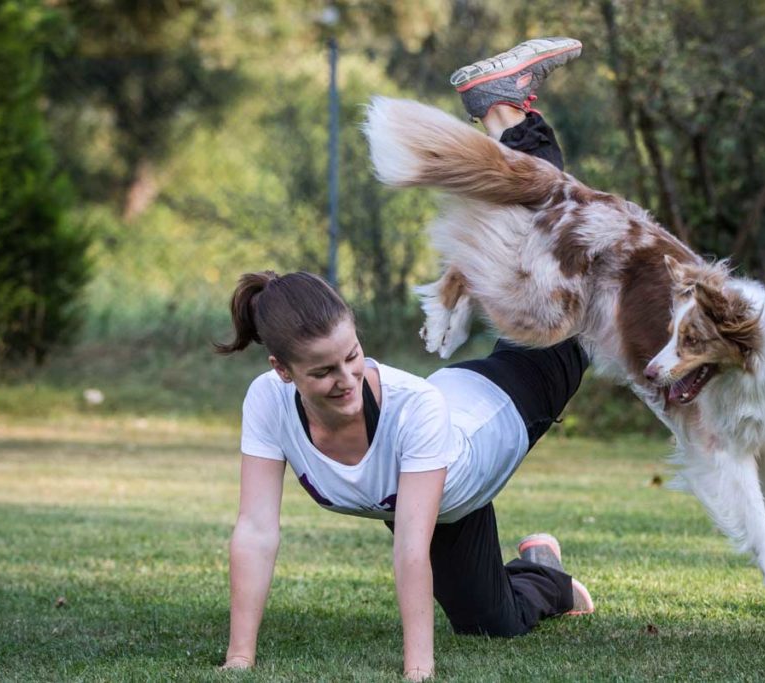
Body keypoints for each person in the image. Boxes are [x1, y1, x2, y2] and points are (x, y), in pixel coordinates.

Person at [218, 38, 588, 681]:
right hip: (450, 492)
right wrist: (238, 660)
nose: (345, 379)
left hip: (507, 401)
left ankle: (509, 111)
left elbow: (410, 550)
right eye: (322, 371)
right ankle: (548, 573)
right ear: (282, 370)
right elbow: (255, 531)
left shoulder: (408, 408)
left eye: (352, 357)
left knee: (558, 255)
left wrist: (419, 673)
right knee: (490, 624)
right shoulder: (268, 403)